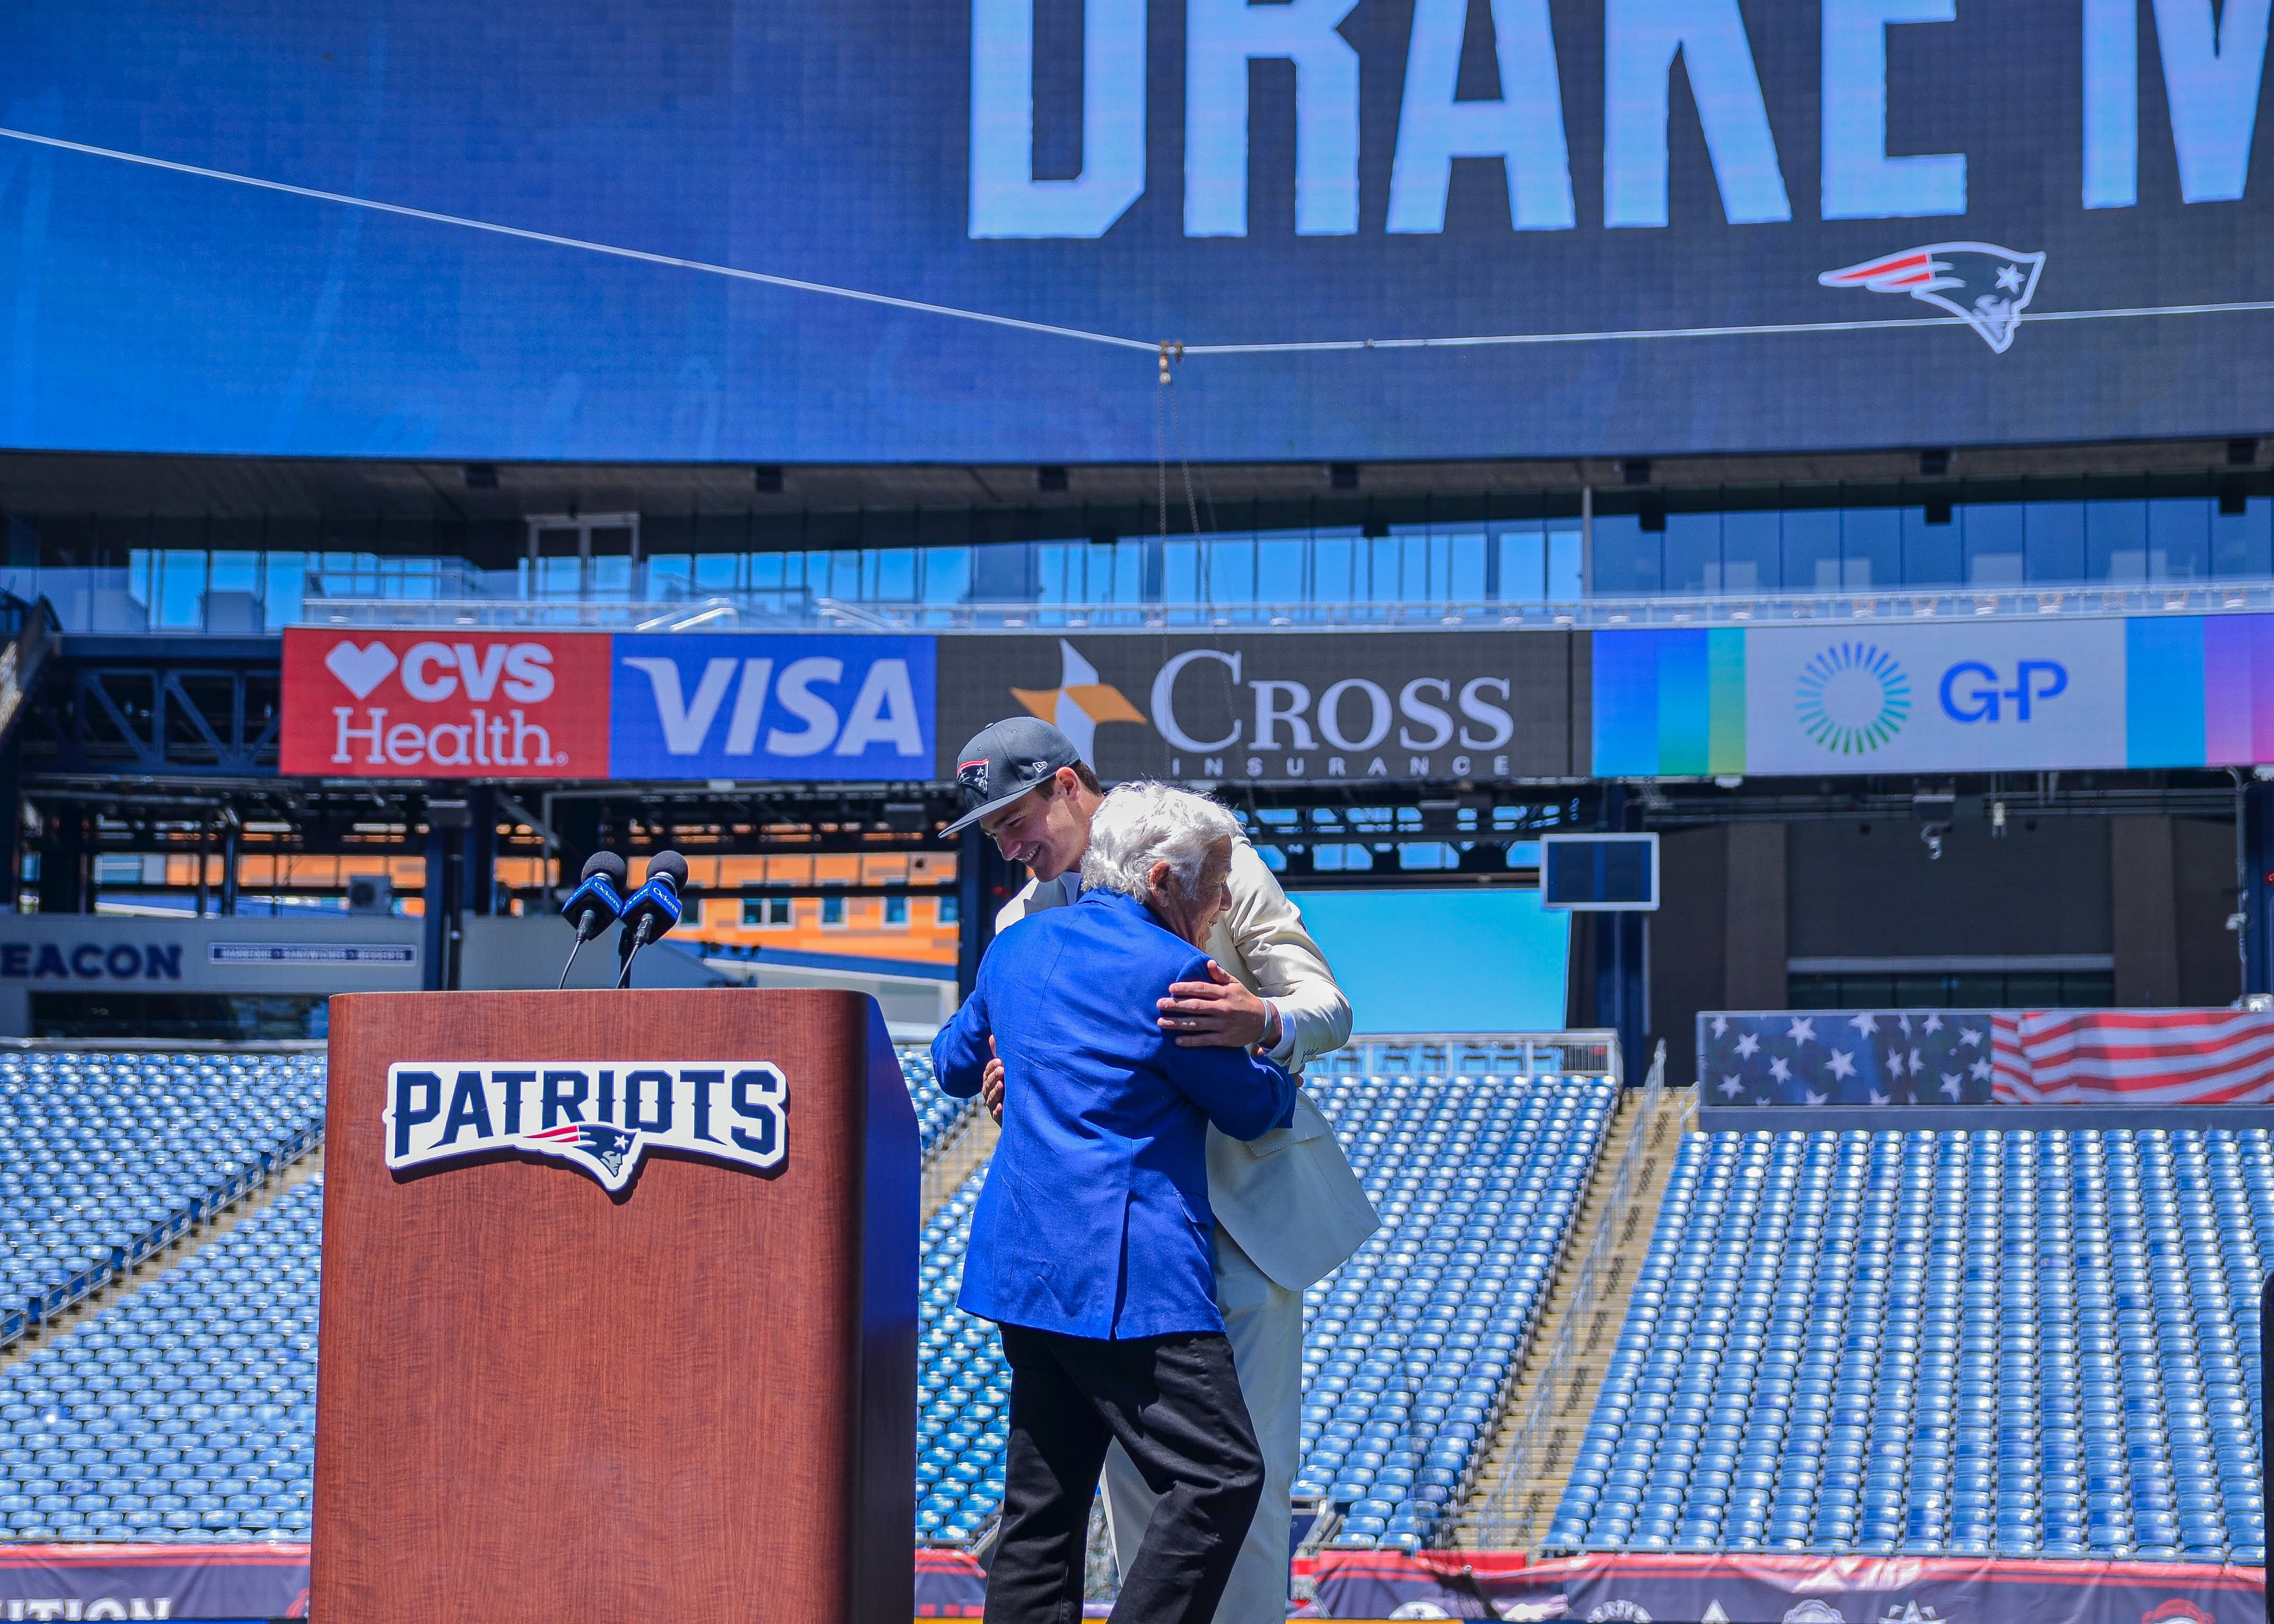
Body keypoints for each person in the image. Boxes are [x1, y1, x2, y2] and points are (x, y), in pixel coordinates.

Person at [945, 719, 1378, 1624]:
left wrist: (1259, 1019)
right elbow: (979, 1056)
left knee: (1239, 1489)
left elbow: (1327, 1007)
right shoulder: (1019, 919)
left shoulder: (1212, 855)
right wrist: (1009, 1078)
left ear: (1069, 785)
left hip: (1239, 1221)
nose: (1011, 847)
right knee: (1141, 1493)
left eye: (1016, 819)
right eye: (992, 836)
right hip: (1112, 1233)